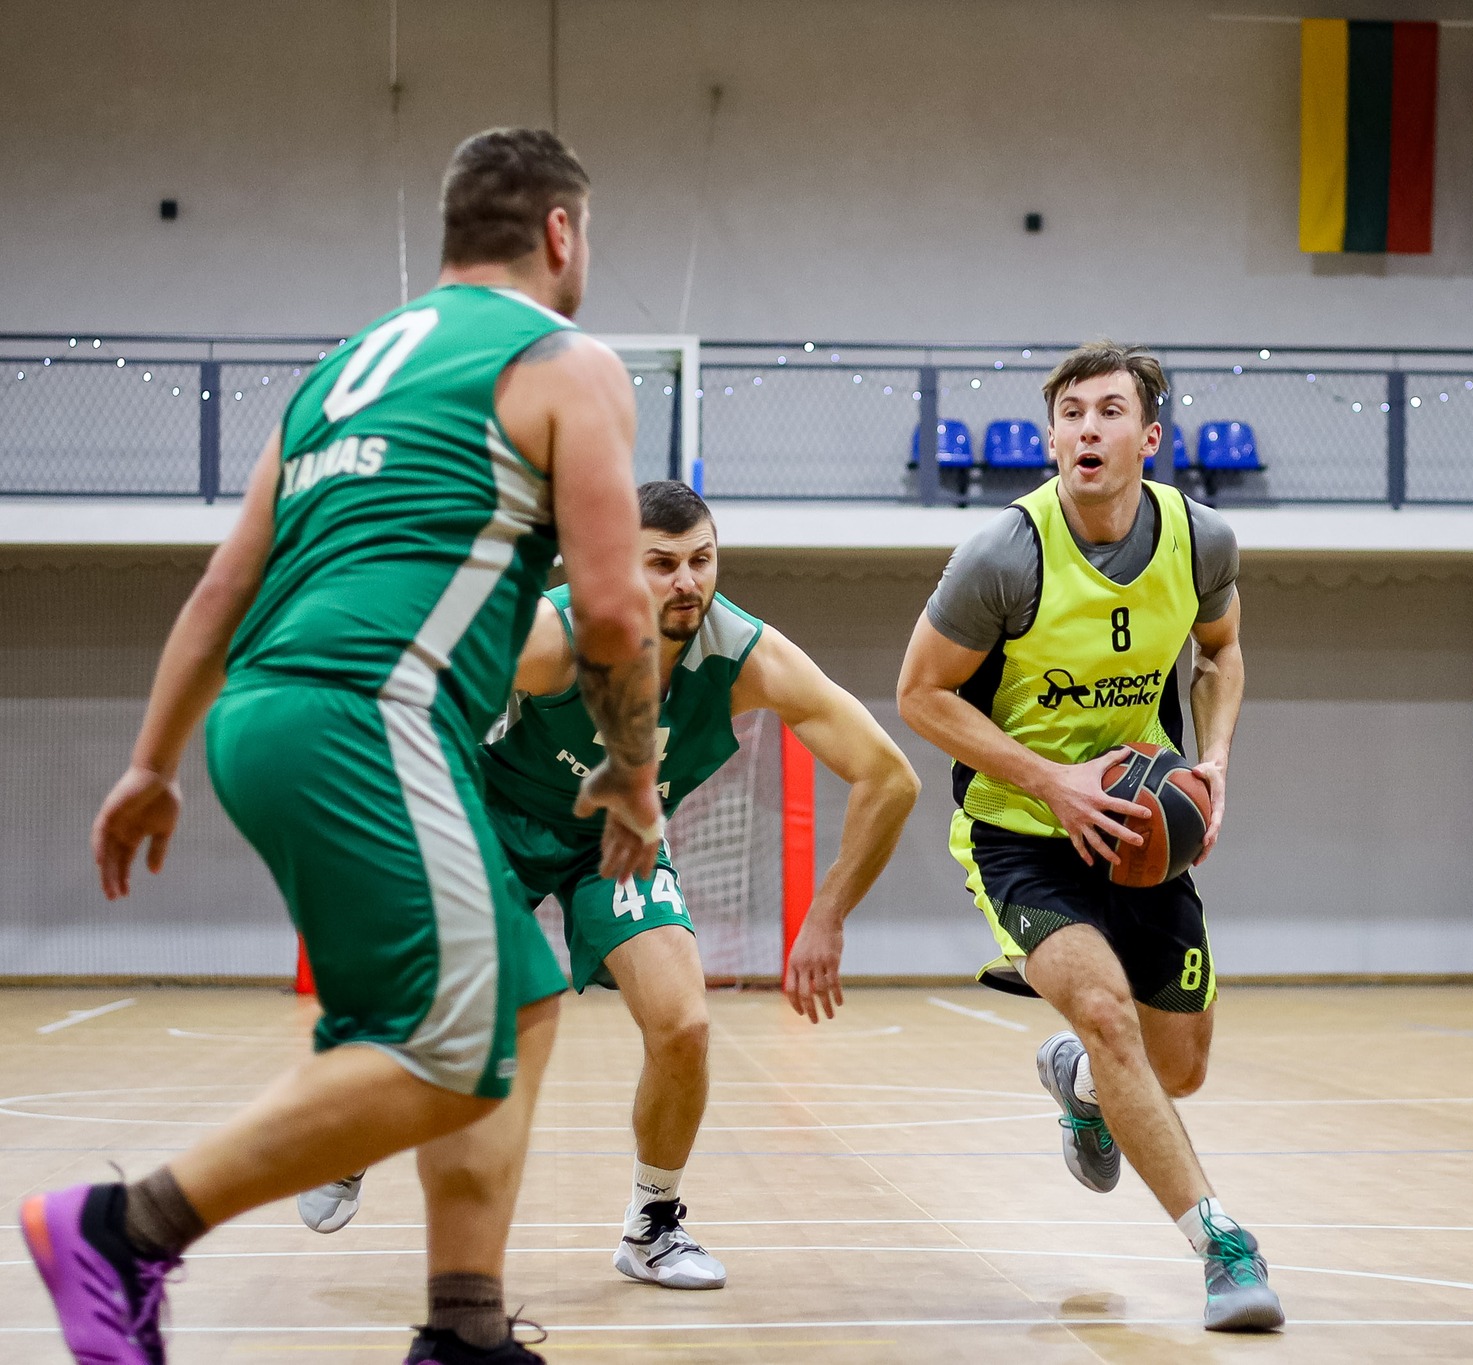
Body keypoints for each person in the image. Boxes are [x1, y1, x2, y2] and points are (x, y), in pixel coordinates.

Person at [20, 128, 664, 1365]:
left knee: (522, 1006)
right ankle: (124, 1229)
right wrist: (631, 774)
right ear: (561, 232)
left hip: (260, 716)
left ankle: (464, 1327)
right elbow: (613, 608)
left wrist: (151, 764)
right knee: (448, 1052)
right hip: (376, 713)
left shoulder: (339, 374)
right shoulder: (562, 360)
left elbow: (224, 585)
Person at [298, 481, 921, 1292]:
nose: (687, 581)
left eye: (701, 560)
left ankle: (651, 1225)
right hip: (493, 815)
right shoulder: (550, 637)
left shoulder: (746, 656)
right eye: (661, 563)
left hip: (615, 840)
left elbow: (890, 776)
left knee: (683, 1025)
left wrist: (827, 912)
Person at [896, 341, 1281, 1332]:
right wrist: (1050, 781)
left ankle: (1075, 1078)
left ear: (1149, 437)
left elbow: (1221, 651)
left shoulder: (1200, 541)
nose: (1086, 429)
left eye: (1109, 411)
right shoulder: (1003, 556)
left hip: (1138, 823)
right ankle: (1222, 1246)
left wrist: (1215, 758)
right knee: (1107, 1013)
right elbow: (919, 694)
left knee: (1178, 1066)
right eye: (1070, 413)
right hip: (1020, 832)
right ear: (1052, 437)